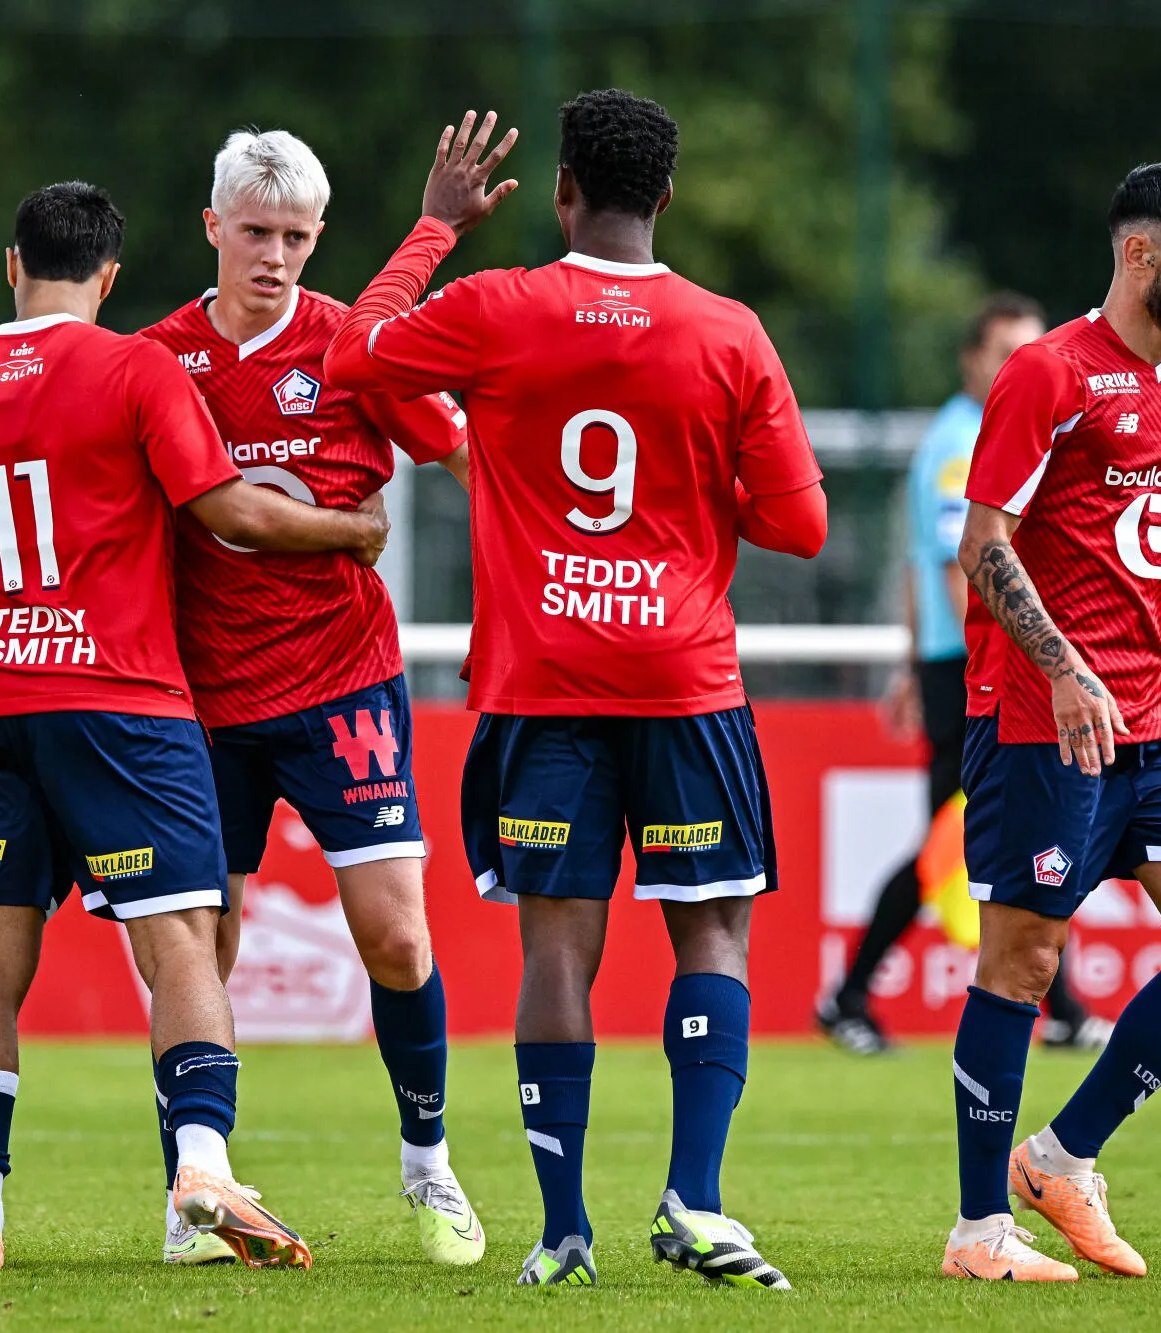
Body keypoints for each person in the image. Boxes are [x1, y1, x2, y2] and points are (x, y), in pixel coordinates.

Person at [326, 93, 827, 1291]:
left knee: (556, 939)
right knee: (710, 929)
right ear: (666, 198)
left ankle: (562, 1231)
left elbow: (352, 357)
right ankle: (695, 1202)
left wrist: (436, 226)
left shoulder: (497, 307)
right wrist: (696, 496)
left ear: (562, 191)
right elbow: (801, 526)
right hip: (683, 680)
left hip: (541, 681)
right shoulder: (729, 332)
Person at [0, 181, 388, 1272]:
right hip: (119, 702)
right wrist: (348, 528)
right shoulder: (139, 368)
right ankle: (202, 1168)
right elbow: (226, 509)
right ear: (108, 277)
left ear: (12, 265)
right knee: (181, 940)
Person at [138, 129, 483, 1268]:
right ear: (212, 228)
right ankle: (196, 1189)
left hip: (344, 683)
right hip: (199, 700)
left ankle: (428, 1164)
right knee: (198, 947)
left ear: (318, 237)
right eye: (254, 232)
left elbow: (472, 462)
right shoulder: (155, 360)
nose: (273, 256)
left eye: (294, 236)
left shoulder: (350, 345)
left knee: (397, 936)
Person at [940, 163, 1161, 1281]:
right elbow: (981, 545)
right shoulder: (1046, 373)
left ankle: (1062, 1158)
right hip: (1044, 716)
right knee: (1022, 961)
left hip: (1159, 716)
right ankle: (978, 1230)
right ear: (1139, 254)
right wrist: (1065, 667)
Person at [817, 293, 1112, 1056]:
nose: (1021, 365)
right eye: (1006, 352)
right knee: (964, 840)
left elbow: (918, 568)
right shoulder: (963, 442)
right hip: (980, 672)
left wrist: (911, 663)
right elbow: (965, 568)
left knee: (980, 838)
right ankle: (851, 996)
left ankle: (1054, 1006)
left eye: (1032, 350)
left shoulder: (974, 434)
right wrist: (1008, 664)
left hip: (956, 665)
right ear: (970, 359)